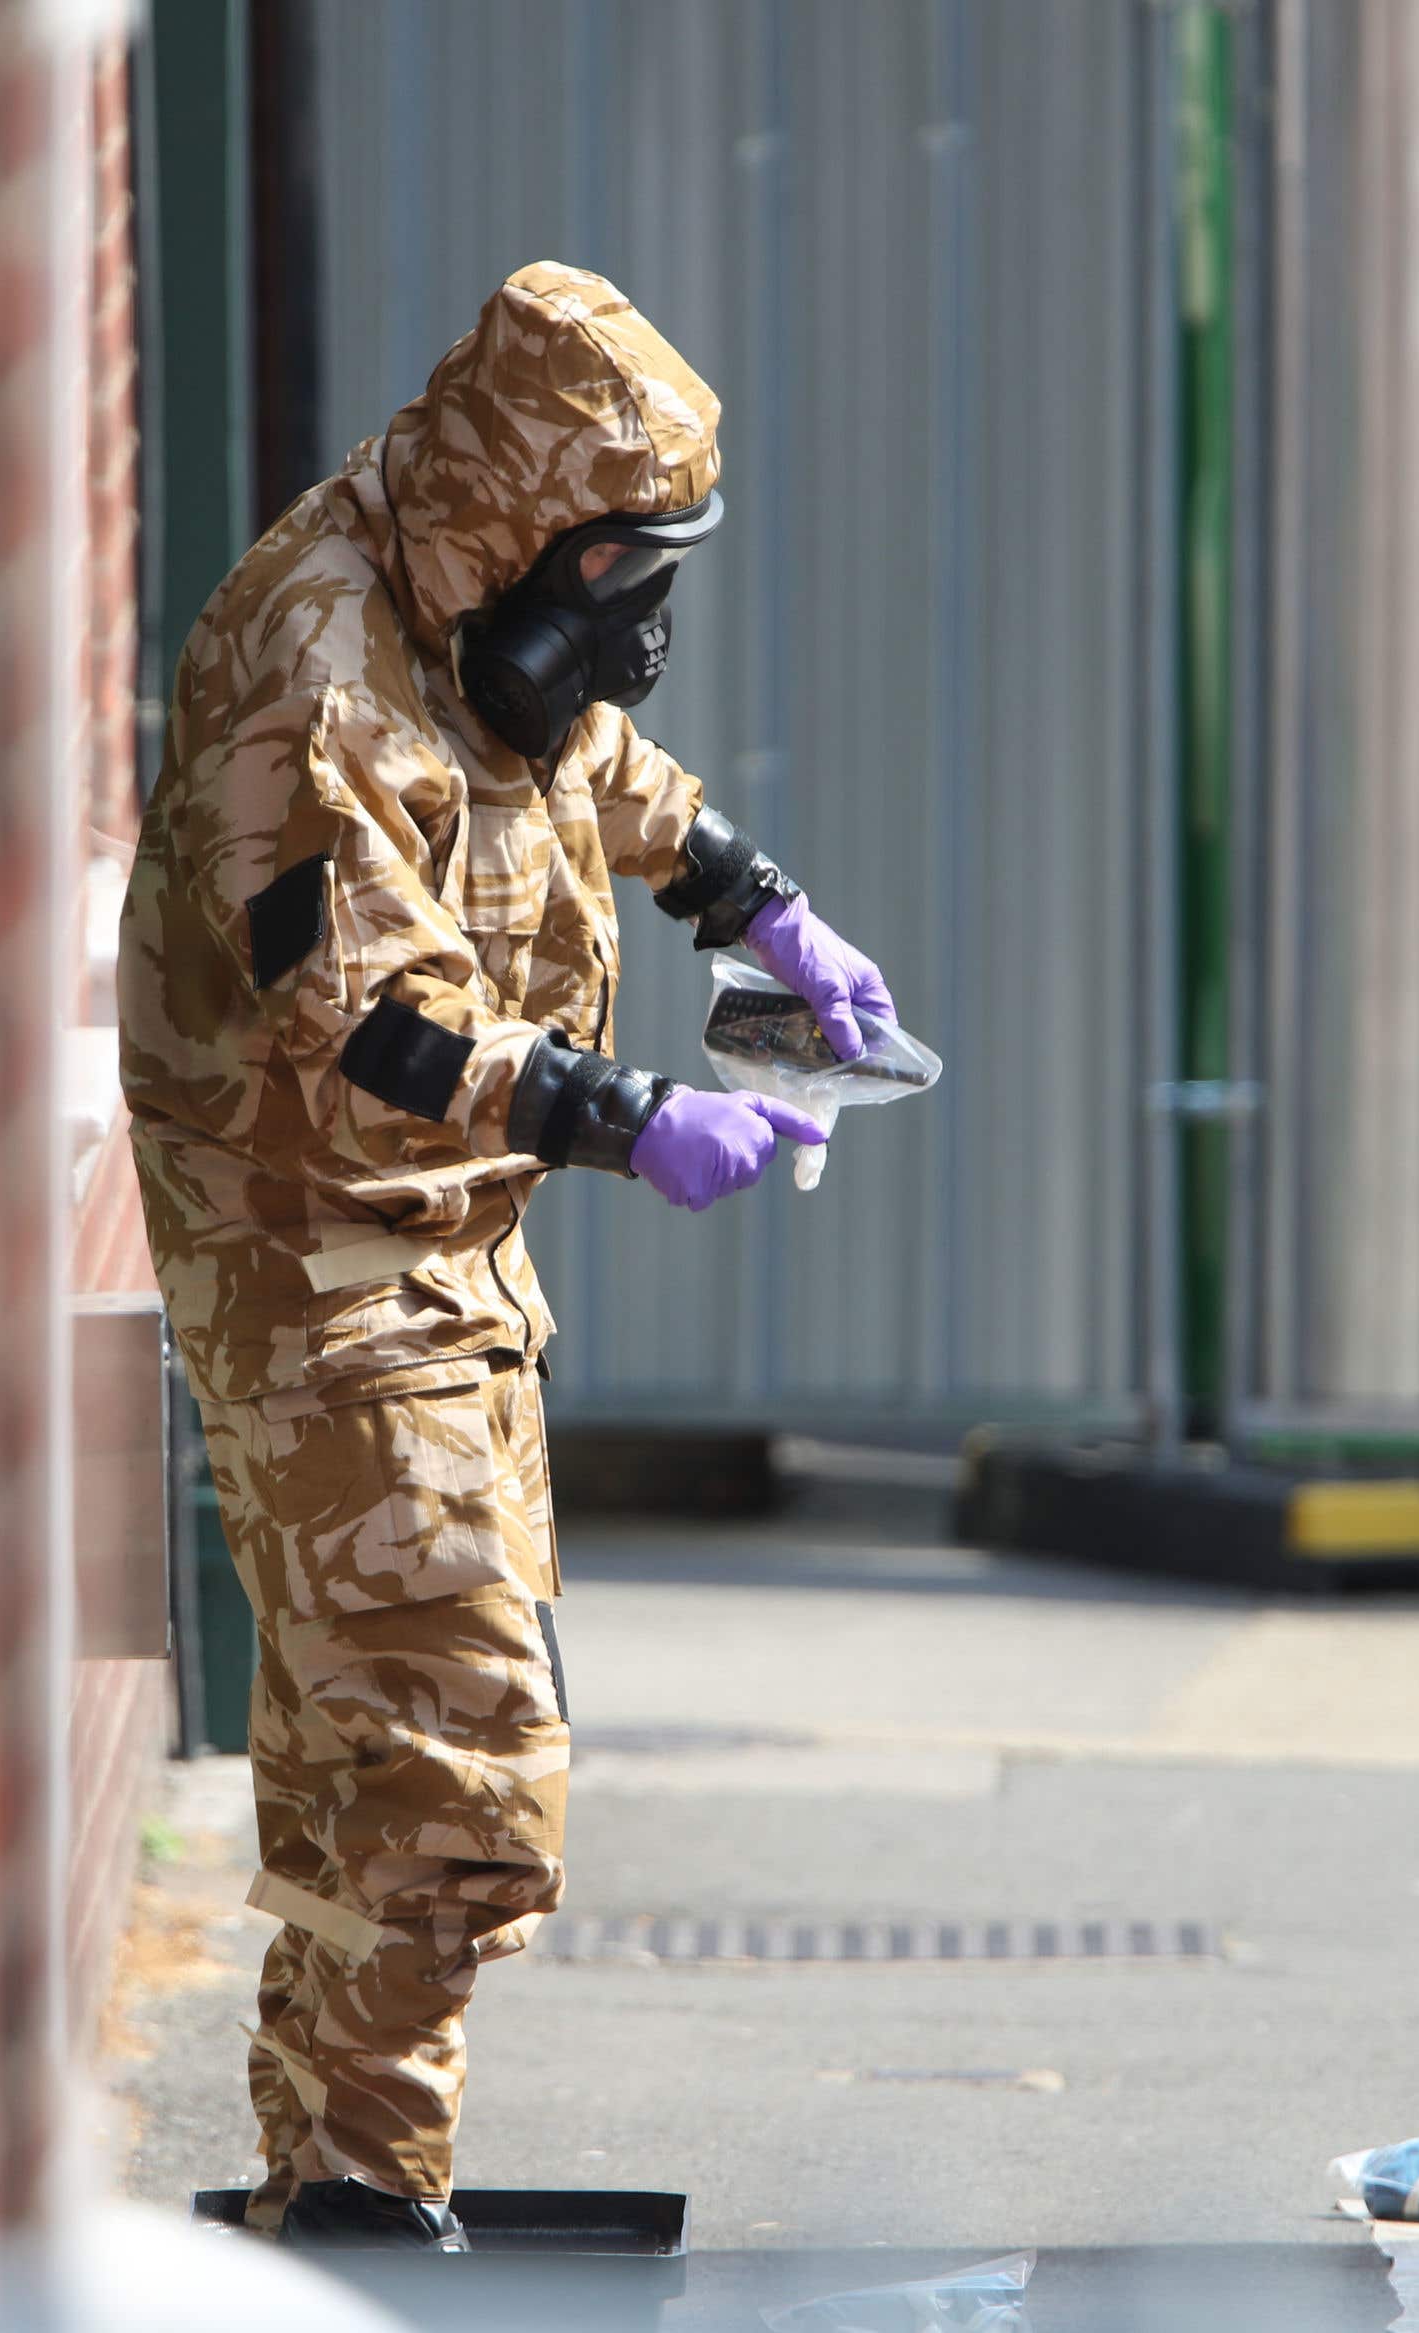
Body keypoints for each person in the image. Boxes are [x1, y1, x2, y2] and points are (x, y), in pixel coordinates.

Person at [117, 263, 898, 2251]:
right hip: (319, 1272)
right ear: (520, 524)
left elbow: (573, 757)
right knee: (461, 1769)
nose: (638, 621)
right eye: (619, 568)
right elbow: (371, 1024)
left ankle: (334, 2186)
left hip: (433, 1254)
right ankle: (366, 2211)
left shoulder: (460, 600)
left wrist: (754, 901)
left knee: (357, 1764)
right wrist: (631, 1118)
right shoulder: (312, 681)